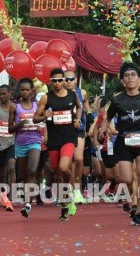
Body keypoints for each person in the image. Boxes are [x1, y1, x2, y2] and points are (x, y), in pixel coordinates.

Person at [100, 62, 140, 226]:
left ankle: (138, 212)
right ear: (123, 81)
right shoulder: (117, 101)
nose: (130, 78)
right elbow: (107, 118)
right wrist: (103, 130)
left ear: (139, 79)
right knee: (126, 178)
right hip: (123, 142)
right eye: (127, 76)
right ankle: (131, 202)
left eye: (133, 75)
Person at [33, 68, 82, 221]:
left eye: (60, 80)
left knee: (63, 168)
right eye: (54, 81)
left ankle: (69, 193)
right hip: (54, 139)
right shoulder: (46, 98)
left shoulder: (72, 95)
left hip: (68, 137)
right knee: (57, 173)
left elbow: (79, 107)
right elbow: (35, 118)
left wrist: (77, 120)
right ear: (50, 81)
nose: (57, 83)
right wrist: (43, 117)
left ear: (64, 80)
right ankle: (65, 204)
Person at [9, 78, 42, 217]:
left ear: (32, 91)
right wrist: (19, 124)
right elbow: (10, 129)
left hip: (35, 141)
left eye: (27, 89)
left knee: (32, 170)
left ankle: (28, 204)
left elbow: (43, 119)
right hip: (20, 143)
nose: (24, 92)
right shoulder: (14, 107)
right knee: (23, 175)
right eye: (22, 89)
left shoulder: (37, 105)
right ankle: (27, 197)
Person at [64, 70, 91, 206]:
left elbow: (87, 110)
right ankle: (71, 189)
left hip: (79, 130)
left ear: (75, 80)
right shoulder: (59, 94)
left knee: (79, 158)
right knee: (68, 162)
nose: (68, 81)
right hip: (64, 131)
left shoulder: (83, 93)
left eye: (71, 79)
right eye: (66, 79)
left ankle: (78, 188)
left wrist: (89, 124)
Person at [0, 84, 15, 211]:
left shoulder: (14, 107)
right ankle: (3, 195)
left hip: (11, 142)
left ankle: (11, 198)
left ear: (10, 93)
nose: (1, 96)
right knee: (2, 173)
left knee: (12, 167)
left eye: (4, 93)